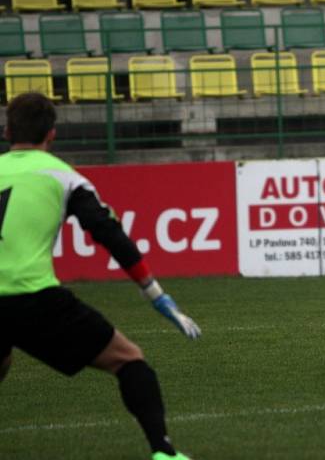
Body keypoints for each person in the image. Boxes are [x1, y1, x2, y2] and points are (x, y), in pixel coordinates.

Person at [0, 93, 200, 460]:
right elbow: (106, 231)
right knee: (128, 359)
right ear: (52, 134)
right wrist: (155, 295)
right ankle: (164, 452)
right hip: (32, 297)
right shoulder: (62, 176)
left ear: (7, 131)